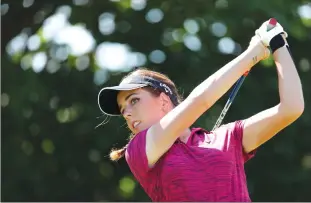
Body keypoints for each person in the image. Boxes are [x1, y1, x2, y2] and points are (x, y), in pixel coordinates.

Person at [97, 20, 304, 202]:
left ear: (163, 100)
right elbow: (201, 101)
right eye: (123, 110)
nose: (127, 113)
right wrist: (254, 52)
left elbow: (291, 108)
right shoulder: (139, 150)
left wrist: (278, 44)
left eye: (134, 100)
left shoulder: (228, 137)